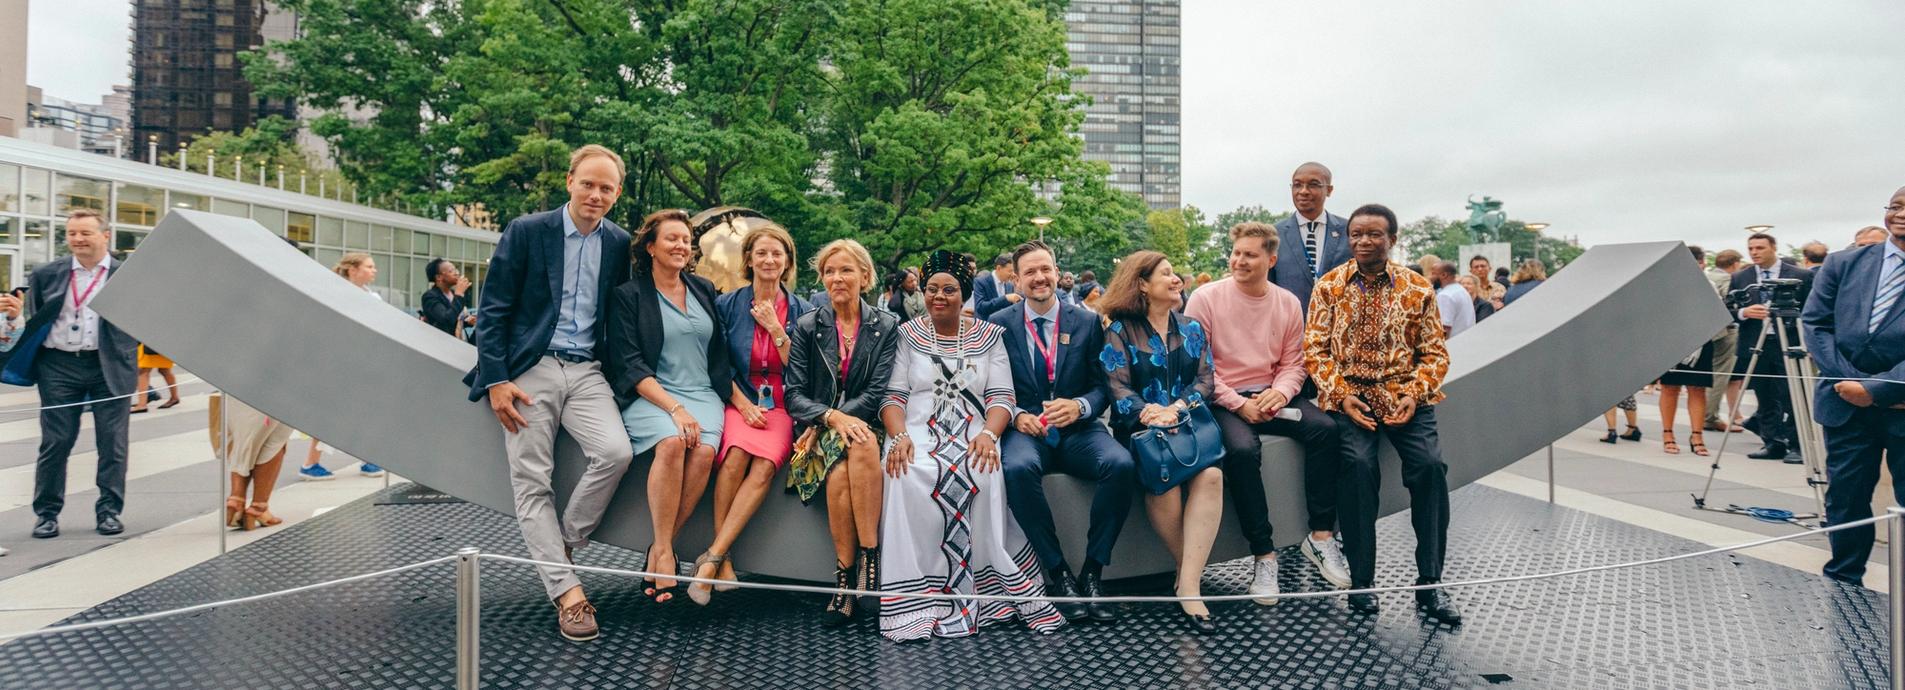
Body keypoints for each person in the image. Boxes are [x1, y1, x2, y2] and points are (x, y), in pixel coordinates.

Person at [462, 144, 636, 641]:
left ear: (617, 194)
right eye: (588, 184)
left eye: (606, 188)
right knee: (532, 482)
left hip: (586, 370)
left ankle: (563, 544)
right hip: (530, 369)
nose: (596, 195)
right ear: (569, 182)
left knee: (616, 453)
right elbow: (493, 308)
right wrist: (497, 380)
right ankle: (569, 596)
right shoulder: (528, 230)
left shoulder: (618, 242)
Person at [877, 249, 1064, 642]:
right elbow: (893, 396)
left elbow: (1001, 397)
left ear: (963, 294)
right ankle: (918, 593)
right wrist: (900, 436)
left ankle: (984, 588)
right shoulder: (906, 335)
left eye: (949, 289)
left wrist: (989, 435)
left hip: (974, 430)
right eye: (932, 289)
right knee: (907, 471)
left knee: (981, 467)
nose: (939, 296)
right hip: (915, 428)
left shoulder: (989, 336)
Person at [1303, 203, 1461, 624]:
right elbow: (1315, 350)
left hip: (1405, 397)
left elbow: (1434, 354)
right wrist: (1340, 395)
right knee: (1357, 468)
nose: (1363, 241)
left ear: (1392, 238)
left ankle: (1430, 584)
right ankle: (1362, 582)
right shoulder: (1329, 286)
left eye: (1374, 234)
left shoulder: (1417, 288)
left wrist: (1413, 393)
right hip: (1351, 399)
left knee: (1430, 468)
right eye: (1356, 234)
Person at [1187, 222, 1349, 602]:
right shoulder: (1205, 298)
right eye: (1236, 253)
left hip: (1273, 393)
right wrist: (1238, 404)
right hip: (1222, 398)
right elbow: (1199, 366)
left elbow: (1295, 362)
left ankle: (1321, 535)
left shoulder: (1287, 302)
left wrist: (1279, 393)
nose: (1239, 261)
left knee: (1326, 430)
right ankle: (1264, 554)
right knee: (1242, 451)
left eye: (1250, 255)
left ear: (1271, 260)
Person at [988, 241, 1133, 623]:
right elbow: (989, 385)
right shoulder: (998, 324)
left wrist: (1080, 406)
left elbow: (1103, 386)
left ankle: (1093, 572)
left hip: (1077, 430)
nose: (1039, 278)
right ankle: (1058, 573)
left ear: (1056, 272)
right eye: (1030, 272)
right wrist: (1016, 415)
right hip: (1026, 431)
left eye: (1045, 269)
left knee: (1120, 464)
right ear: (1016, 280)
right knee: (1016, 469)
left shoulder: (1086, 321)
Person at [605, 208, 731, 605]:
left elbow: (720, 354)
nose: (681, 246)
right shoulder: (628, 296)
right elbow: (629, 364)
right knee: (673, 443)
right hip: (652, 394)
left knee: (704, 452)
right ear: (650, 246)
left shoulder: (704, 289)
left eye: (686, 240)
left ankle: (660, 551)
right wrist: (675, 409)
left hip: (703, 394)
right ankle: (664, 551)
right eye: (672, 238)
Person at [1100, 250, 1226, 634]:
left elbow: (1206, 379)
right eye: (1166, 274)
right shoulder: (1120, 330)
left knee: (1212, 477)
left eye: (1176, 273)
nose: (1177, 280)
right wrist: (1151, 413)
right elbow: (1117, 386)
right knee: (1165, 487)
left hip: (1188, 429)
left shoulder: (1192, 328)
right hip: (1143, 433)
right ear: (1142, 284)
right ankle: (1190, 580)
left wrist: (1177, 409)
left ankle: (1187, 584)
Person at [688, 225, 811, 605]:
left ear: (787, 261)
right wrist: (741, 404)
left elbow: (802, 371)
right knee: (735, 456)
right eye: (761, 253)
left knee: (763, 466)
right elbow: (717, 363)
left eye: (777, 253)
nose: (769, 260)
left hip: (783, 405)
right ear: (749, 260)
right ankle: (722, 560)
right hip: (739, 398)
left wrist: (775, 329)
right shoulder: (727, 305)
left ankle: (712, 556)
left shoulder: (804, 311)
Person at [783, 239, 902, 625]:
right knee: (841, 466)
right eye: (829, 271)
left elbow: (877, 392)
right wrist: (829, 419)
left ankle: (854, 574)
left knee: (861, 443)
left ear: (865, 277)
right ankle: (861, 572)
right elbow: (794, 395)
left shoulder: (886, 326)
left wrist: (838, 420)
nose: (837, 278)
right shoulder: (807, 326)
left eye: (846, 270)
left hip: (866, 424)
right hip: (818, 430)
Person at [0, 209, 138, 540]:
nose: (77, 239)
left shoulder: (128, 275)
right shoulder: (47, 274)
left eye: (85, 233)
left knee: (113, 443)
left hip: (109, 364)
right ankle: (46, 514)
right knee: (56, 441)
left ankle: (109, 511)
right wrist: (15, 317)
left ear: (106, 236)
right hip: (58, 366)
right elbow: (36, 321)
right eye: (72, 233)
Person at [1803, 186, 1905, 585]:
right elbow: (1816, 324)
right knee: (1846, 496)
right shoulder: (1843, 263)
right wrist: (1849, 381)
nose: (1900, 214)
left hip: (1901, 404)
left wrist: (1879, 389)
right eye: (1895, 206)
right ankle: (1844, 580)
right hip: (1844, 402)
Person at [299, 253, 386, 480]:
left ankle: (368, 459)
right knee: (330, 411)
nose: (374, 270)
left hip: (363, 359)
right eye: (369, 266)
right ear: (353, 270)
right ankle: (310, 463)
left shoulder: (372, 296)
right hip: (338, 361)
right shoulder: (335, 294)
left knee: (363, 408)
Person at [1731, 231, 1814, 461]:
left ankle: (1797, 444)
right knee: (1764, 396)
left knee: (1792, 395)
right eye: (1751, 248)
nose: (1754, 253)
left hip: (1788, 342)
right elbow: (1729, 309)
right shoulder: (1741, 277)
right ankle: (1772, 442)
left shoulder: (1801, 275)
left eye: (1760, 248)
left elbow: (1812, 310)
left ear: (1773, 248)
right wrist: (1744, 312)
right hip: (1756, 343)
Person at [1268, 162, 1350, 312]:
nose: (1303, 191)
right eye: (1297, 185)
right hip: (1291, 322)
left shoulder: (1349, 232)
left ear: (1329, 190)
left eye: (1313, 185)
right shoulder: (1273, 234)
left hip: (1339, 321)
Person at [1659, 245, 1715, 456]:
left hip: (1701, 341)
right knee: (1669, 388)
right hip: (1671, 340)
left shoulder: (1709, 284)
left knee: (1697, 388)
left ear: (1702, 263)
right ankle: (1667, 434)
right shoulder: (1666, 285)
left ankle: (1697, 435)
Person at [218, 395, 295, 530]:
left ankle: (236, 499)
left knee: (242, 439)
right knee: (275, 441)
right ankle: (259, 507)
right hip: (278, 389)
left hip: (236, 388)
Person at [1704, 249, 1746, 432]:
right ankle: (1710, 416)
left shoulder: (1706, 276)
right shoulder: (1728, 280)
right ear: (1735, 263)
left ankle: (1706, 413)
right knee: (1720, 373)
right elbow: (1731, 305)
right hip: (1724, 331)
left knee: (1709, 372)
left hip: (1706, 332)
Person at [422, 257, 474, 338]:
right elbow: (446, 320)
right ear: (439, 277)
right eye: (451, 271)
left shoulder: (453, 293)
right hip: (442, 342)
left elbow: (456, 319)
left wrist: (468, 321)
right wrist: (459, 294)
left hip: (460, 340)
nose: (456, 273)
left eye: (456, 269)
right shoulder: (430, 297)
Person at [129, 343, 181, 413]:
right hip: (163, 343)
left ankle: (142, 404)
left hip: (152, 344)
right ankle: (174, 397)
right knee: (164, 370)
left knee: (143, 371)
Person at [1432, 261, 1477, 338]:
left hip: (1453, 343)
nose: (1431, 277)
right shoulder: (1461, 290)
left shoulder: (1445, 295)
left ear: (1444, 275)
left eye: (1433, 273)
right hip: (1467, 341)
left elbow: (1444, 329)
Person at [970, 252, 1020, 318]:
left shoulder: (1009, 285)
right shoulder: (980, 282)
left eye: (1014, 271)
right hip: (986, 323)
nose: (1013, 274)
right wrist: (1005, 298)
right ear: (999, 268)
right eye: (1010, 271)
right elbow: (980, 307)